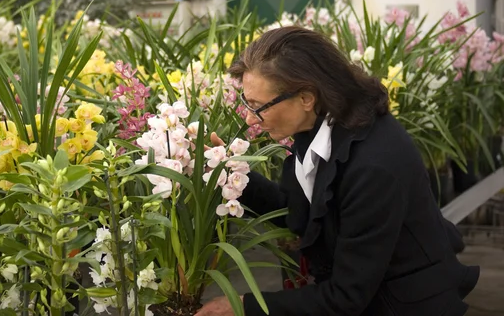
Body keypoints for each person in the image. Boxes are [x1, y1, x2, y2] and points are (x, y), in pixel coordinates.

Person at [195, 26, 479, 316]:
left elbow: (346, 296)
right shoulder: (316, 129)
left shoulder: (373, 166)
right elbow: (299, 210)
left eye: (258, 106)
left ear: (306, 98)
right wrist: (226, 173)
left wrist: (244, 306)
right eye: (246, 102)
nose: (248, 116)